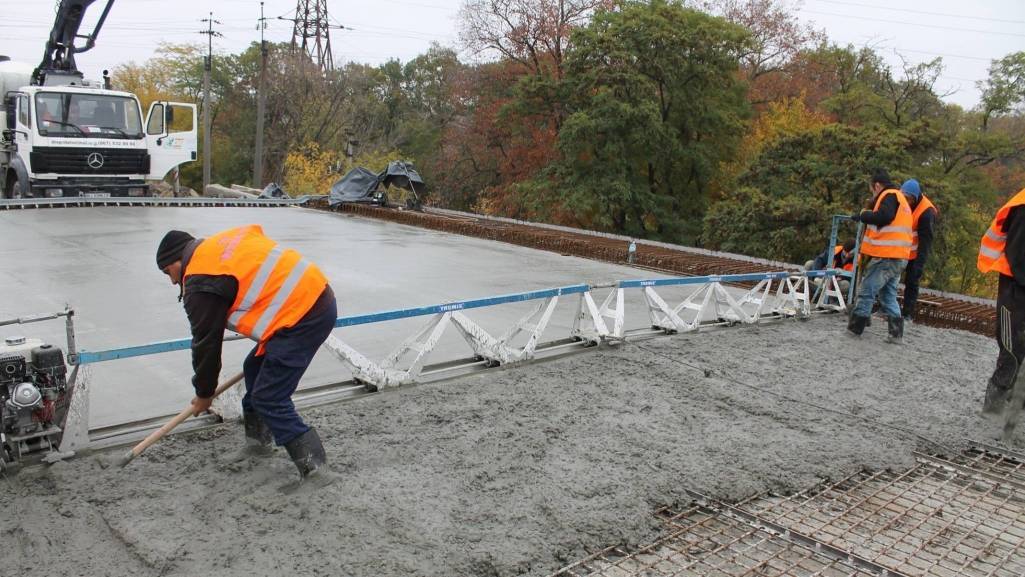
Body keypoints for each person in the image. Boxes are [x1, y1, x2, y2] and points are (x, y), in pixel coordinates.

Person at [156, 225, 338, 491]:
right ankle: (258, 444)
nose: (173, 281)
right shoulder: (218, 247)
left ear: (177, 261)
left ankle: (316, 471)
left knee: (269, 396)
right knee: (253, 367)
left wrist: (204, 394)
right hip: (311, 298)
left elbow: (206, 344)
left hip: (304, 315)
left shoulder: (201, 281)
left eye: (168, 272)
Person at [847, 170, 913, 343]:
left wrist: (864, 216)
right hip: (900, 257)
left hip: (887, 255)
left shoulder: (889, 196)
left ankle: (856, 328)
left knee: (867, 289)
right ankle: (896, 334)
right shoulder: (901, 199)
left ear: (877, 186)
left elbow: (884, 217)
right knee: (888, 294)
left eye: (872, 190)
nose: (873, 194)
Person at [978, 187, 1025, 414]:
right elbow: (1017, 253)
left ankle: (1015, 406)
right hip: (1014, 286)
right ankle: (992, 410)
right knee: (1011, 350)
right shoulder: (1024, 206)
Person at [900, 179, 938, 322]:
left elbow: (926, 242)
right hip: (900, 249)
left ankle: (907, 314)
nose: (906, 202)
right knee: (889, 279)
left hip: (915, 253)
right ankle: (885, 308)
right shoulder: (900, 200)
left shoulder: (926, 212)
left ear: (915, 198)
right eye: (904, 198)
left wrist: (919, 264)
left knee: (912, 281)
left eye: (908, 199)